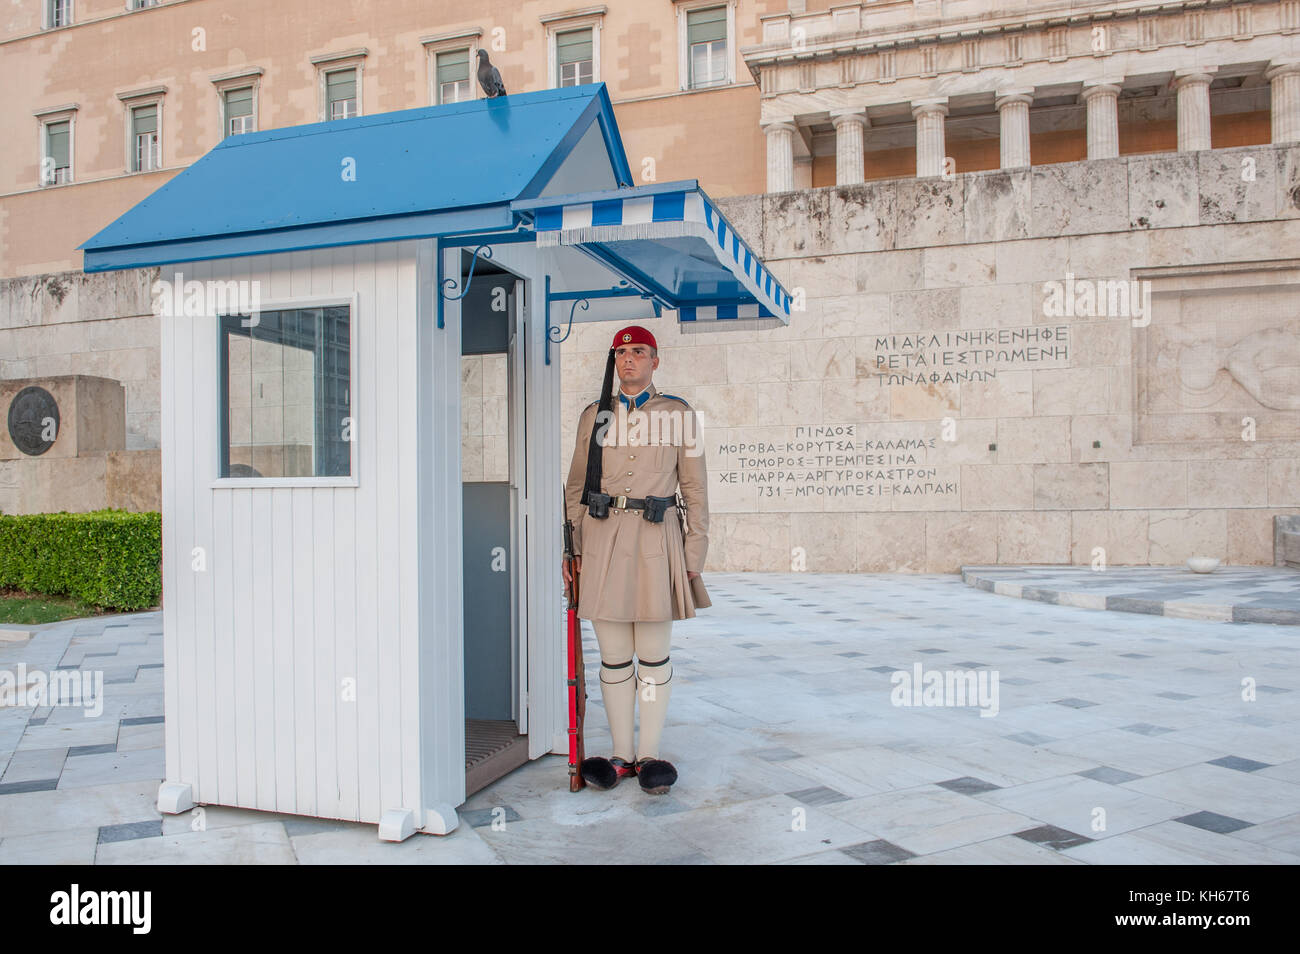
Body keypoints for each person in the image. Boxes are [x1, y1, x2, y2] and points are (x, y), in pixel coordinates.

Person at [562, 325, 710, 795]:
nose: (629, 360)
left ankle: (650, 754)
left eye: (639, 352)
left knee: (652, 653)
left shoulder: (679, 414)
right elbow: (575, 487)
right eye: (622, 353)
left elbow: (695, 488)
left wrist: (693, 553)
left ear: (655, 361)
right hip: (602, 539)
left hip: (655, 540)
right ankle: (621, 755)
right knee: (612, 657)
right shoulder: (595, 415)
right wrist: (573, 547)